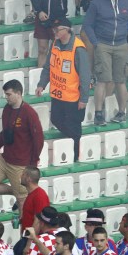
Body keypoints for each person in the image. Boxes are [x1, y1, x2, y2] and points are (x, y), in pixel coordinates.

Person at [81, 0, 128, 125]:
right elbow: (87, 25)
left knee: (120, 81)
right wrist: (96, 43)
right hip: (103, 44)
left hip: (122, 45)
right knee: (102, 80)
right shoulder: (97, 3)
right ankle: (98, 114)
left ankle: (122, 112)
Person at [35, 18, 89, 158]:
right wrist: (41, 84)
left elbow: (85, 76)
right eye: (54, 30)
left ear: (68, 30)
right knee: (56, 119)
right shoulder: (55, 44)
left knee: (74, 128)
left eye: (57, 30)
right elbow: (48, 67)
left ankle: (76, 155)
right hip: (58, 95)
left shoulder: (78, 49)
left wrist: (83, 98)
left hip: (73, 98)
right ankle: (70, 145)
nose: (55, 32)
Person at [0, 80, 43, 208]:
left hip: (20, 165)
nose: (6, 97)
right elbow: (4, 133)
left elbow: (38, 140)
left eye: (8, 94)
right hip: (5, 160)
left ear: (18, 93)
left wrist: (33, 164)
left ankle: (23, 222)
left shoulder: (29, 113)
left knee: (22, 203)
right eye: (5, 95)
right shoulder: (7, 109)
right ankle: (16, 192)